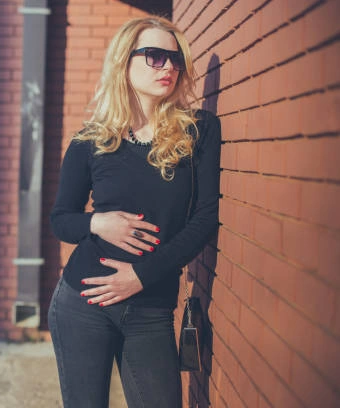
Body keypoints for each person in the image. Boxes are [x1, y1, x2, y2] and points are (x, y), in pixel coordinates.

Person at [48, 16, 221, 408]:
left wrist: (141, 276)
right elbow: (61, 220)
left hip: (151, 308)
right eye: (155, 57)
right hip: (82, 303)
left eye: (176, 60)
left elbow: (206, 218)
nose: (169, 68)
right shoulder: (91, 141)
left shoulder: (199, 131)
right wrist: (98, 222)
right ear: (124, 62)